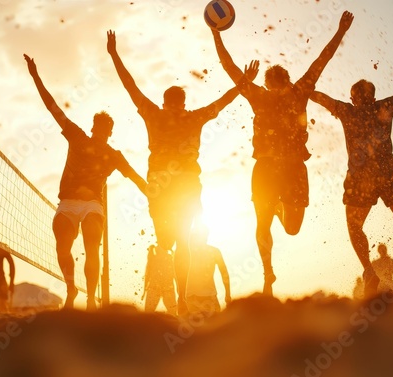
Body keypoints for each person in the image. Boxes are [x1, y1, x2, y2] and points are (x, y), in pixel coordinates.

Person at [210, 11, 354, 295]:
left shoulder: (297, 91)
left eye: (280, 85)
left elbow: (321, 60)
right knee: (262, 224)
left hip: (293, 168)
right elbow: (228, 68)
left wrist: (340, 31)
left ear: (287, 83)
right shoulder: (259, 96)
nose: (277, 90)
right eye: (274, 86)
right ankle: (268, 274)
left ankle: (276, 206)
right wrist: (215, 33)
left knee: (292, 229)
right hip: (265, 168)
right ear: (269, 86)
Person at [106, 30, 242, 314]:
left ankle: (180, 299)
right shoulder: (193, 116)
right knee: (179, 243)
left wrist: (114, 54)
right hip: (186, 187)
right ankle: (180, 297)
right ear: (181, 103)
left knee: (170, 243)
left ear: (167, 102)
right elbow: (224, 101)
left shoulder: (154, 113)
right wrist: (243, 83)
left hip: (164, 186)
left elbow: (130, 86)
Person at [310, 48, 393, 297]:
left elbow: (318, 96)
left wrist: (302, 85)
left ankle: (369, 271)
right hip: (388, 171)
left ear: (353, 98)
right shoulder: (386, 106)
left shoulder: (346, 111)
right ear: (373, 96)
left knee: (354, 226)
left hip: (361, 177)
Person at [24, 54, 148, 311]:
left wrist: (153, 192)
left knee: (92, 248)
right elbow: (53, 107)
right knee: (62, 249)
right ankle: (71, 287)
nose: (101, 132)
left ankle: (91, 299)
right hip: (67, 203)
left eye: (105, 130)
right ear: (93, 127)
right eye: (99, 128)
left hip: (93, 204)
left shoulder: (113, 155)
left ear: (109, 132)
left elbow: (137, 179)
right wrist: (35, 76)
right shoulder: (77, 137)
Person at [186, 225, 231, 316]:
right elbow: (224, 272)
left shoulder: (187, 252)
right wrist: (228, 294)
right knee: (215, 327)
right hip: (199, 298)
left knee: (197, 329)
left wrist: (228, 294)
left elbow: (224, 272)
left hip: (198, 297)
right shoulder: (214, 251)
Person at [143, 245, 177, 316]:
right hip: (165, 288)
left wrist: (145, 289)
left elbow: (147, 274)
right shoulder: (167, 258)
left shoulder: (154, 258)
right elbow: (175, 275)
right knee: (173, 313)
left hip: (160, 288)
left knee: (147, 314)